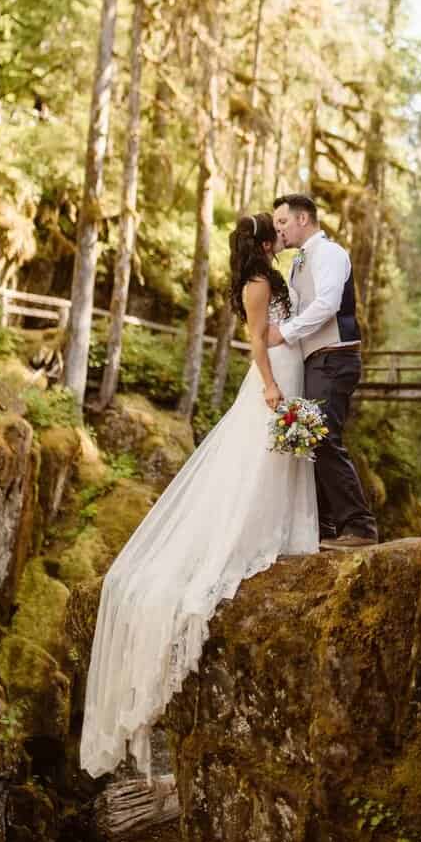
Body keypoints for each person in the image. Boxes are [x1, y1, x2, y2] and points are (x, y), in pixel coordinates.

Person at [79, 213, 317, 780]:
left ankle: (284, 532)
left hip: (289, 369)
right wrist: (270, 386)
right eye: (276, 231)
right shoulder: (257, 284)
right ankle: (247, 539)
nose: (283, 234)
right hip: (273, 375)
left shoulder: (269, 275)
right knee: (253, 465)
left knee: (273, 463)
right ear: (264, 242)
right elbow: (257, 340)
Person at [269, 193, 378, 551]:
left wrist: (284, 333)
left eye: (282, 222)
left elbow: (328, 304)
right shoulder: (300, 261)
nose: (279, 230)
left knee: (324, 436)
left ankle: (359, 527)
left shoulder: (329, 253)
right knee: (310, 438)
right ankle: (328, 526)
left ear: (303, 219)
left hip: (335, 357)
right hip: (317, 360)